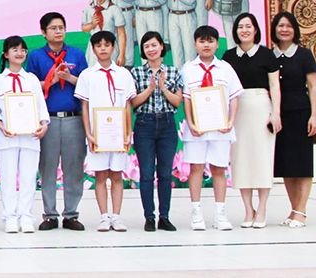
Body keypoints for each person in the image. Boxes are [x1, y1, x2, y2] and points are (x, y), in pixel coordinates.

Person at [25, 12, 88, 231]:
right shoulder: (36, 56)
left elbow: (87, 84)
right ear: (43, 32)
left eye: (61, 27)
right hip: (48, 120)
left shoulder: (76, 54)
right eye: (53, 28)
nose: (58, 31)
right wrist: (51, 81)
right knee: (48, 168)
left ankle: (71, 214)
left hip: (73, 119)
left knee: (74, 168)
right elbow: (30, 86)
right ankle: (50, 214)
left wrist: (69, 78)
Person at [182, 25, 242, 231]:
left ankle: (220, 214)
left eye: (210, 41)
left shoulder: (226, 68)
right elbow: (186, 99)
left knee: (219, 169)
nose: (206, 45)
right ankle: (196, 213)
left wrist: (230, 122)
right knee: (196, 169)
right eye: (202, 41)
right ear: (195, 44)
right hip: (196, 130)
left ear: (217, 44)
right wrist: (191, 123)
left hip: (221, 129)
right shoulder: (188, 69)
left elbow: (234, 97)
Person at [222, 13, 280, 229]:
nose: (244, 30)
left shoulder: (266, 54)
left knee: (263, 158)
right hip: (237, 110)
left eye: (248, 26)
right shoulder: (228, 56)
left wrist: (276, 113)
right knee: (241, 159)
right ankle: (248, 209)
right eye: (240, 27)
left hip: (262, 107)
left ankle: (262, 208)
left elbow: (274, 86)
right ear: (235, 31)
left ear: (256, 30)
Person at [76, 31, 134, 232]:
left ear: (113, 47)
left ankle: (116, 216)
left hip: (118, 135)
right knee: (100, 176)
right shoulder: (87, 75)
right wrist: (89, 133)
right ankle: (103, 216)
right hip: (98, 135)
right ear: (93, 49)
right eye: (99, 45)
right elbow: (84, 106)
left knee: (117, 175)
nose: (103, 48)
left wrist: (128, 132)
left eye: (107, 45)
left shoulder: (124, 74)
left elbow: (127, 105)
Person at [0, 36, 48, 234]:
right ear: (6, 54)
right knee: (7, 179)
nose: (19, 53)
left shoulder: (32, 79)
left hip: (31, 137)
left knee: (28, 178)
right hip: (7, 137)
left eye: (23, 49)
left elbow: (41, 106)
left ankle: (26, 216)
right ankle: (10, 217)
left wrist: (44, 125)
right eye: (15, 49)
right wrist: (0, 125)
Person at [129, 32, 182, 232]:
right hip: (145, 124)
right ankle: (149, 217)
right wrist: (150, 89)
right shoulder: (136, 72)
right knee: (146, 174)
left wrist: (163, 88)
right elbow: (133, 102)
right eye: (146, 46)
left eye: (154, 45)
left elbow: (177, 102)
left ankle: (164, 217)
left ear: (161, 47)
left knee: (165, 174)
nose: (151, 49)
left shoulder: (173, 71)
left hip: (167, 124)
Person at [269, 11, 316, 228]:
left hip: (301, 113)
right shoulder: (270, 55)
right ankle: (294, 209)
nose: (284, 29)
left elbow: (313, 86)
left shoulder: (304, 55)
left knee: (302, 163)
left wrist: (314, 115)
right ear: (274, 30)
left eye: (288, 26)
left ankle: (301, 211)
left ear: (295, 29)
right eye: (280, 26)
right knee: (286, 164)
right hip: (279, 116)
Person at [81, 0, 126, 67]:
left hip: (110, 48)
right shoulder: (89, 9)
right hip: (93, 50)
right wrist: (92, 25)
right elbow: (84, 28)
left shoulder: (114, 9)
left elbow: (121, 33)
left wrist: (122, 54)